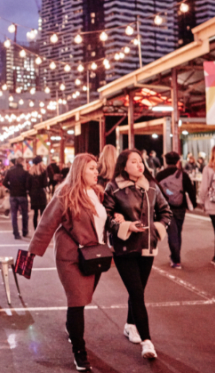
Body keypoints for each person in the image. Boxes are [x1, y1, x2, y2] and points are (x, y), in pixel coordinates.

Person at [28, 154, 107, 370]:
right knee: (78, 301)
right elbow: (47, 223)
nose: (96, 172)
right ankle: (79, 352)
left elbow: (105, 222)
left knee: (83, 298)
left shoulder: (98, 193)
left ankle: (72, 329)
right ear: (80, 170)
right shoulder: (65, 193)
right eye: (92, 168)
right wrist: (32, 253)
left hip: (94, 256)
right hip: (71, 257)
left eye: (96, 168)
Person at [104, 149, 171, 360]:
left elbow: (166, 212)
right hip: (124, 248)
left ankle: (130, 325)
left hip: (147, 247)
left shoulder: (152, 186)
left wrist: (158, 229)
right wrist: (124, 226)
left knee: (138, 290)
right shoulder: (113, 187)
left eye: (140, 161)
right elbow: (106, 217)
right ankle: (147, 341)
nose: (139, 165)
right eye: (134, 162)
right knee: (137, 293)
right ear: (124, 166)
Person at [155, 151, 196, 269]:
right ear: (178, 161)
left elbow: (155, 192)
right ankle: (176, 257)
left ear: (166, 161)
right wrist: (193, 204)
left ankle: (176, 259)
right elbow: (191, 190)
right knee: (178, 232)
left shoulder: (160, 175)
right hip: (180, 207)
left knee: (172, 233)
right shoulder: (183, 174)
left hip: (165, 208)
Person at [3, 158, 31, 240]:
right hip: (22, 195)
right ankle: (25, 231)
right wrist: (25, 189)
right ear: (22, 163)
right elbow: (28, 185)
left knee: (14, 214)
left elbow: (4, 182)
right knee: (25, 214)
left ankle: (16, 233)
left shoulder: (10, 172)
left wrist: (10, 187)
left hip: (13, 195)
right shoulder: (25, 173)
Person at [28, 157, 48, 230]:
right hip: (41, 193)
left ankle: (35, 229)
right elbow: (45, 184)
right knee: (43, 213)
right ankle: (42, 228)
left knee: (35, 213)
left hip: (33, 194)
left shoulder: (30, 172)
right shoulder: (43, 171)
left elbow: (28, 185)